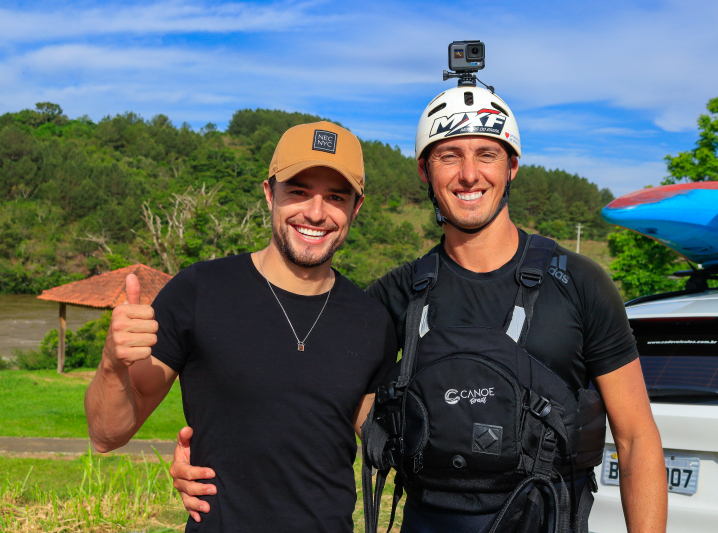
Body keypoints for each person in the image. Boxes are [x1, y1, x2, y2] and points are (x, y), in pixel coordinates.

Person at [172, 88, 668, 532]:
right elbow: (306, 395)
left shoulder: (579, 283)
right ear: (424, 172)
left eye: (487, 155)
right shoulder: (395, 296)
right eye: (449, 155)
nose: (469, 174)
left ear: (512, 166)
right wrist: (215, 462)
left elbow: (637, 437)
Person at [84, 121, 398, 532]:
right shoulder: (198, 291)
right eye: (299, 192)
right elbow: (107, 435)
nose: (316, 213)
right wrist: (112, 365)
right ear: (270, 194)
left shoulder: (371, 321)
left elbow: (388, 445)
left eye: (335, 197)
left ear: (356, 208)